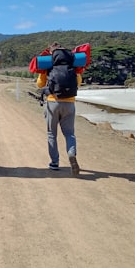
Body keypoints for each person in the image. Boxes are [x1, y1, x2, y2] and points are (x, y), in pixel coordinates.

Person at [36, 42, 82, 176]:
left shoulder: (49, 66)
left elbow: (40, 84)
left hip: (53, 102)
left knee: (52, 134)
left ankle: (54, 163)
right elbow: (78, 82)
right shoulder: (72, 65)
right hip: (69, 103)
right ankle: (71, 154)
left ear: (52, 53)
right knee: (69, 133)